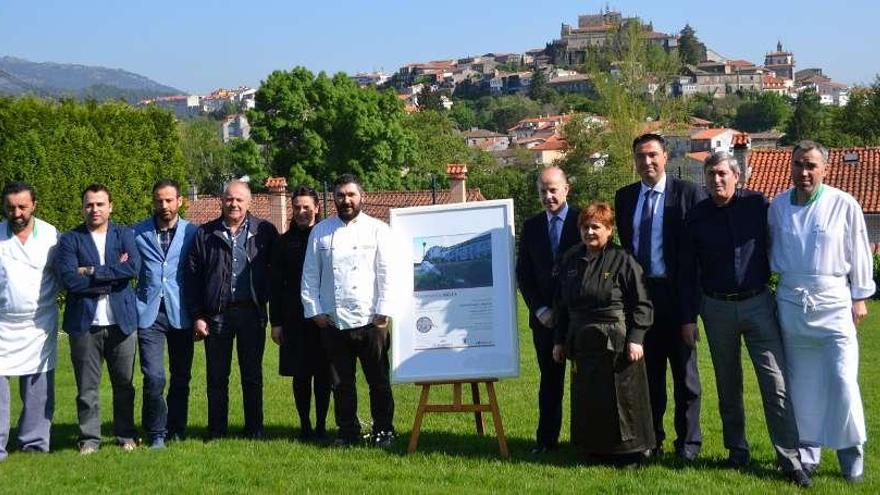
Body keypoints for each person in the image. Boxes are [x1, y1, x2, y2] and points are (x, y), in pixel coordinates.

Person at [679, 152, 811, 487]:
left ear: (737, 176)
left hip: (758, 304)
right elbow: (688, 271)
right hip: (716, 307)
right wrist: (688, 317)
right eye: (710, 175)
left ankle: (790, 459)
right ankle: (737, 452)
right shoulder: (696, 216)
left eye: (722, 174)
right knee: (728, 385)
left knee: (776, 384)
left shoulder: (758, 206)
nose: (716, 180)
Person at [768, 140, 876, 483]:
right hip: (792, 305)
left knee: (843, 380)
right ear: (791, 166)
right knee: (801, 385)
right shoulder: (778, 205)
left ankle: (851, 456)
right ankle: (808, 453)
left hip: (833, 304)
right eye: (799, 164)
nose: (804, 171)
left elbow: (859, 250)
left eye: (811, 165)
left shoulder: (844, 204)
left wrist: (859, 296)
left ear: (825, 169)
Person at [614, 133, 703, 461]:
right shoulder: (624, 198)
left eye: (652, 155)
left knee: (686, 379)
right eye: (640, 156)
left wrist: (689, 315)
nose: (647, 162)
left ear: (665, 156)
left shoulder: (687, 194)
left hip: (677, 298)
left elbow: (694, 260)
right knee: (648, 378)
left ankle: (688, 445)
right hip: (641, 300)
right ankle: (650, 441)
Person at [551, 202, 654, 465]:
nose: (590, 232)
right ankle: (593, 449)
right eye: (585, 227)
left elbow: (642, 302)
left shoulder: (624, 259)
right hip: (582, 340)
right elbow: (561, 304)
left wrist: (637, 338)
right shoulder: (570, 259)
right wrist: (559, 340)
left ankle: (631, 451)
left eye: (596, 227)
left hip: (617, 341)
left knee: (622, 397)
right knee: (589, 398)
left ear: (609, 229)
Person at [301, 174, 396, 448]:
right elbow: (309, 274)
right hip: (333, 320)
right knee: (341, 384)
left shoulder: (378, 229)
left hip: (371, 320)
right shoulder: (320, 232)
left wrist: (384, 311)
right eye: (341, 195)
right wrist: (315, 310)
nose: (346, 200)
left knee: (378, 381)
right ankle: (347, 432)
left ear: (361, 196)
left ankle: (384, 430)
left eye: (351, 195)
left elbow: (387, 272)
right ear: (334, 198)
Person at [186, 180, 278, 440]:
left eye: (239, 199)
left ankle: (255, 429)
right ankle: (216, 430)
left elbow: (276, 271)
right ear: (221, 201)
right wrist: (198, 315)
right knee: (216, 378)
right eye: (229, 199)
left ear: (249, 202)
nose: (234, 204)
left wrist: (267, 299)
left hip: (251, 313)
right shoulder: (205, 234)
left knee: (252, 376)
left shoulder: (265, 232)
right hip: (217, 315)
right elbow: (192, 278)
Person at [55, 183, 140, 454]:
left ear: (110, 206)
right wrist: (111, 276)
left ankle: (125, 434)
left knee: (124, 385)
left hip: (121, 323)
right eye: (89, 204)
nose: (94, 209)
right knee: (86, 388)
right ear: (83, 207)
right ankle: (89, 439)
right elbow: (69, 279)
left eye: (100, 204)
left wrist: (90, 270)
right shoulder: (70, 240)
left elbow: (132, 267)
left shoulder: (124, 234)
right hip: (85, 324)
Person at [516, 166, 581, 454]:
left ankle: (586, 441)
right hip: (544, 320)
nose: (548, 196)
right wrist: (539, 309)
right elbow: (524, 274)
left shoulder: (583, 220)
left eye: (553, 189)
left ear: (566, 189)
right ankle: (546, 442)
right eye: (543, 190)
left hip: (579, 317)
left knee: (585, 382)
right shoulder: (531, 226)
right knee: (550, 383)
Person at [133, 179, 198, 448]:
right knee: (155, 377)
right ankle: (156, 431)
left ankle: (177, 428)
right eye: (159, 200)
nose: (164, 205)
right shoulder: (137, 233)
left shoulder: (193, 232)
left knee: (181, 376)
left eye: (169, 200)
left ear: (179, 201)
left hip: (181, 312)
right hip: (149, 314)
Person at [0, 182, 60, 461]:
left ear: (34, 204)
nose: (17, 212)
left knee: (38, 388)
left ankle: (34, 443)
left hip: (39, 323)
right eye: (11, 207)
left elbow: (62, 275)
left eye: (22, 206)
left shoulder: (50, 235)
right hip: (2, 323)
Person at [270, 185, 331, 441]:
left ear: (316, 208)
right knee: (301, 374)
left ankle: (321, 425)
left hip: (325, 318)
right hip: (294, 318)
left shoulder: (328, 238)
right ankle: (304, 425)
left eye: (307, 207)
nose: (302, 212)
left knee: (324, 374)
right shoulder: (283, 243)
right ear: (291, 210)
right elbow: (274, 285)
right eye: (297, 208)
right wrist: (276, 323)